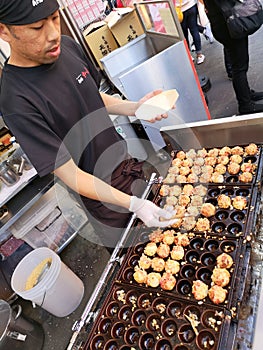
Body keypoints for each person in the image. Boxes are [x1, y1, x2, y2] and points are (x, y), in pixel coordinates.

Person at [0, 0, 178, 250]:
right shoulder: (16, 100)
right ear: (4, 31)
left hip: (130, 165)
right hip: (102, 198)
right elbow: (70, 174)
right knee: (137, 256)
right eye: (38, 27)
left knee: (175, 234)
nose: (53, 34)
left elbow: (91, 95)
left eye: (54, 18)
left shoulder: (68, 47)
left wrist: (135, 108)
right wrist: (133, 204)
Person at [203, 0, 263, 115]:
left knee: (240, 64)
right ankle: (245, 104)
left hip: (226, 25)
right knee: (239, 67)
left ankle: (247, 95)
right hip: (229, 27)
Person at [180, 0, 206, 64]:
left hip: (179, 11)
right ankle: (199, 55)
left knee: (184, 33)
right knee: (194, 30)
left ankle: (189, 56)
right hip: (191, 5)